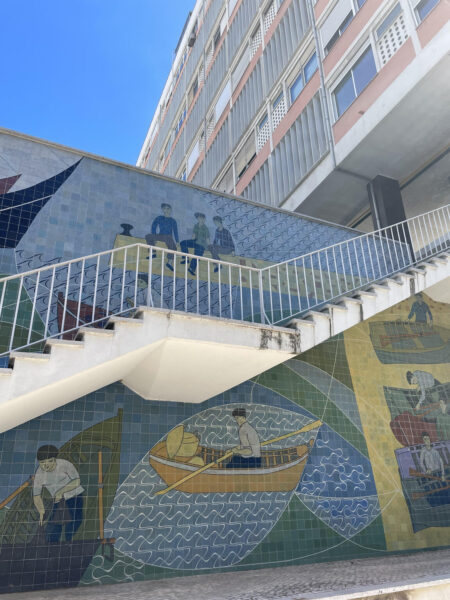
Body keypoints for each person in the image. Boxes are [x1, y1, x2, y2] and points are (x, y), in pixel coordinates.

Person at [33, 445, 85, 543]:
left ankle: (69, 542)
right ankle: (52, 546)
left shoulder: (65, 464)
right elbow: (36, 496)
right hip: (58, 501)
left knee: (75, 522)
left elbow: (77, 481)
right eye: (42, 463)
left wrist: (61, 491)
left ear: (55, 459)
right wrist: (41, 511)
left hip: (74, 497)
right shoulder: (39, 474)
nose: (46, 465)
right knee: (55, 526)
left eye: (50, 461)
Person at [145, 203, 179, 271]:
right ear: (162, 210)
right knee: (148, 236)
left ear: (170, 210)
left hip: (168, 237)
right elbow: (153, 226)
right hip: (160, 236)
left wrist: (177, 241)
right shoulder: (159, 218)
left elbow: (175, 231)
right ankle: (153, 253)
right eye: (164, 208)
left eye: (168, 208)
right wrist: (154, 236)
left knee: (173, 247)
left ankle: (169, 263)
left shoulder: (173, 221)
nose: (166, 210)